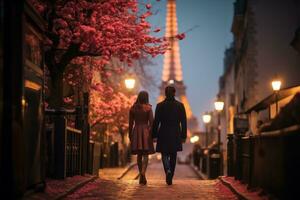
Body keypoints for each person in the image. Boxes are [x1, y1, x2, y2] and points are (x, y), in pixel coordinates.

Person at [152, 86, 187, 185]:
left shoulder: (159, 106)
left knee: (164, 154)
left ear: (165, 93)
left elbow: (156, 122)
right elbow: (183, 122)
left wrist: (154, 135)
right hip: (175, 133)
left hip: (163, 132)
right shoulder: (180, 106)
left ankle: (167, 170)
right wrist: (183, 136)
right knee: (173, 154)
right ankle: (171, 175)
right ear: (175, 93)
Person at [129, 91, 155, 185]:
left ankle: (141, 174)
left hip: (136, 131)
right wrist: (152, 134)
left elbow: (131, 123)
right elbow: (152, 123)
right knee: (146, 155)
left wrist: (130, 135)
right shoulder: (149, 108)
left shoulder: (133, 108)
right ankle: (143, 172)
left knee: (139, 155)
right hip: (146, 132)